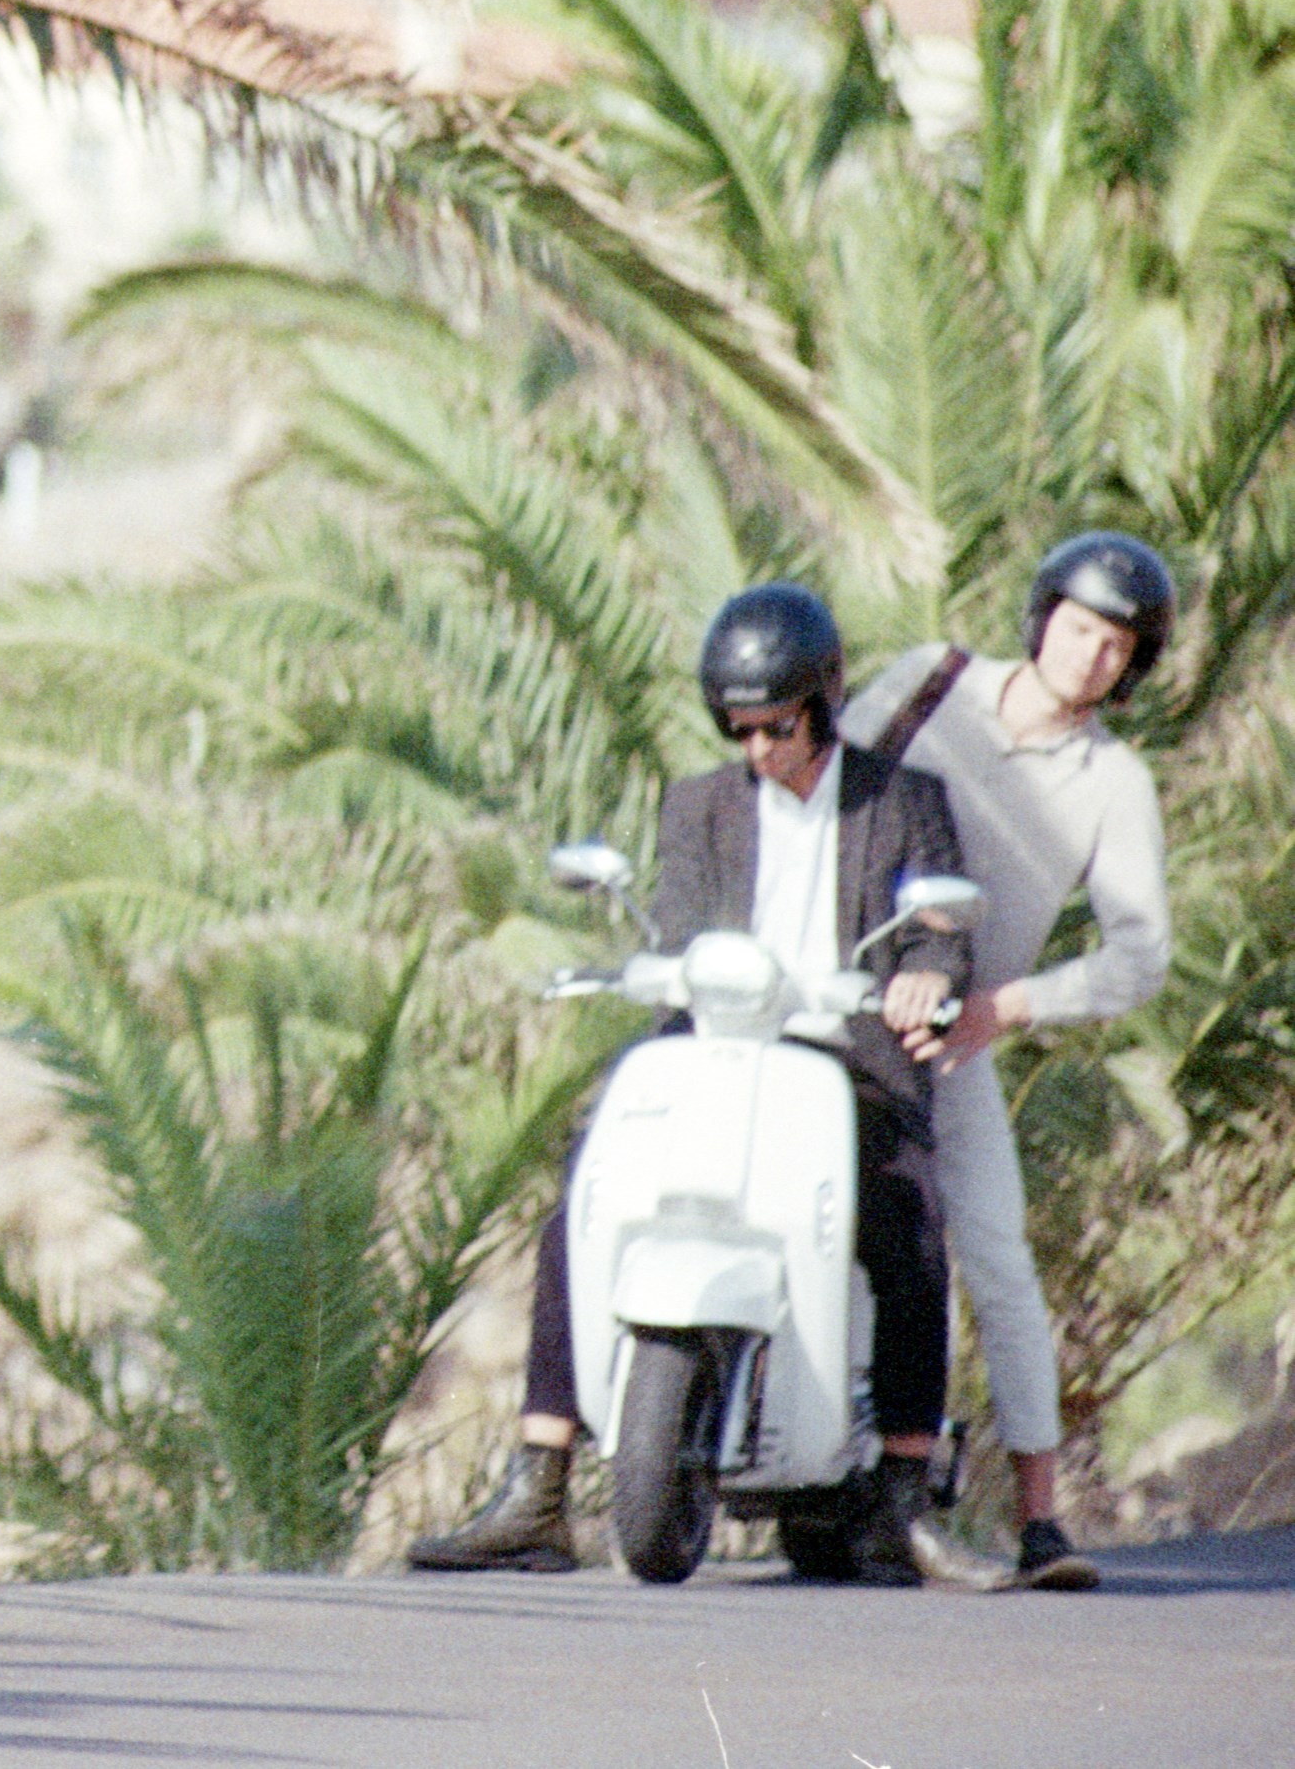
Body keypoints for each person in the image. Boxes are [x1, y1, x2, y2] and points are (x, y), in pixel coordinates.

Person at [409, 582, 972, 1585]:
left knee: (910, 1217)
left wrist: (926, 974)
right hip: (719, 1047)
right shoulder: (699, 806)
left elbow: (936, 929)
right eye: (737, 728)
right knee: (582, 1201)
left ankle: (902, 1488)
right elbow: (678, 932)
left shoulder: (902, 800)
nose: (757, 748)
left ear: (824, 701)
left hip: (847, 1066)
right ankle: (542, 1480)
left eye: (777, 725)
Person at [837, 531, 1177, 1591]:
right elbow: (824, 792)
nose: (1092, 657)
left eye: (1118, 647)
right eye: (1079, 630)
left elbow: (1141, 956)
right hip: (835, 1004)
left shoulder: (1113, 782)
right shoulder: (932, 682)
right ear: (1040, 620)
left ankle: (1039, 1518)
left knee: (994, 1253)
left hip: (951, 1038)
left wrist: (1004, 1009)